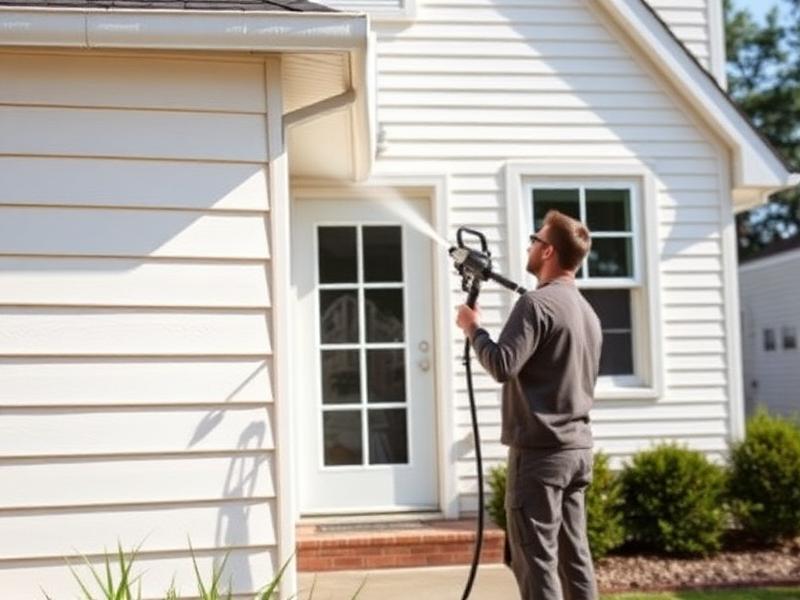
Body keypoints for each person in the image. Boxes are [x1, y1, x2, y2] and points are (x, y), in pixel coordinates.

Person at [456, 210, 602, 600]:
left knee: (535, 560)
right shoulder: (587, 313)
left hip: (539, 457)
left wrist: (473, 328)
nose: (529, 246)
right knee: (575, 560)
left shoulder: (536, 305)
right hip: (577, 452)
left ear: (549, 250)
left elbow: (502, 365)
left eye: (535, 240)